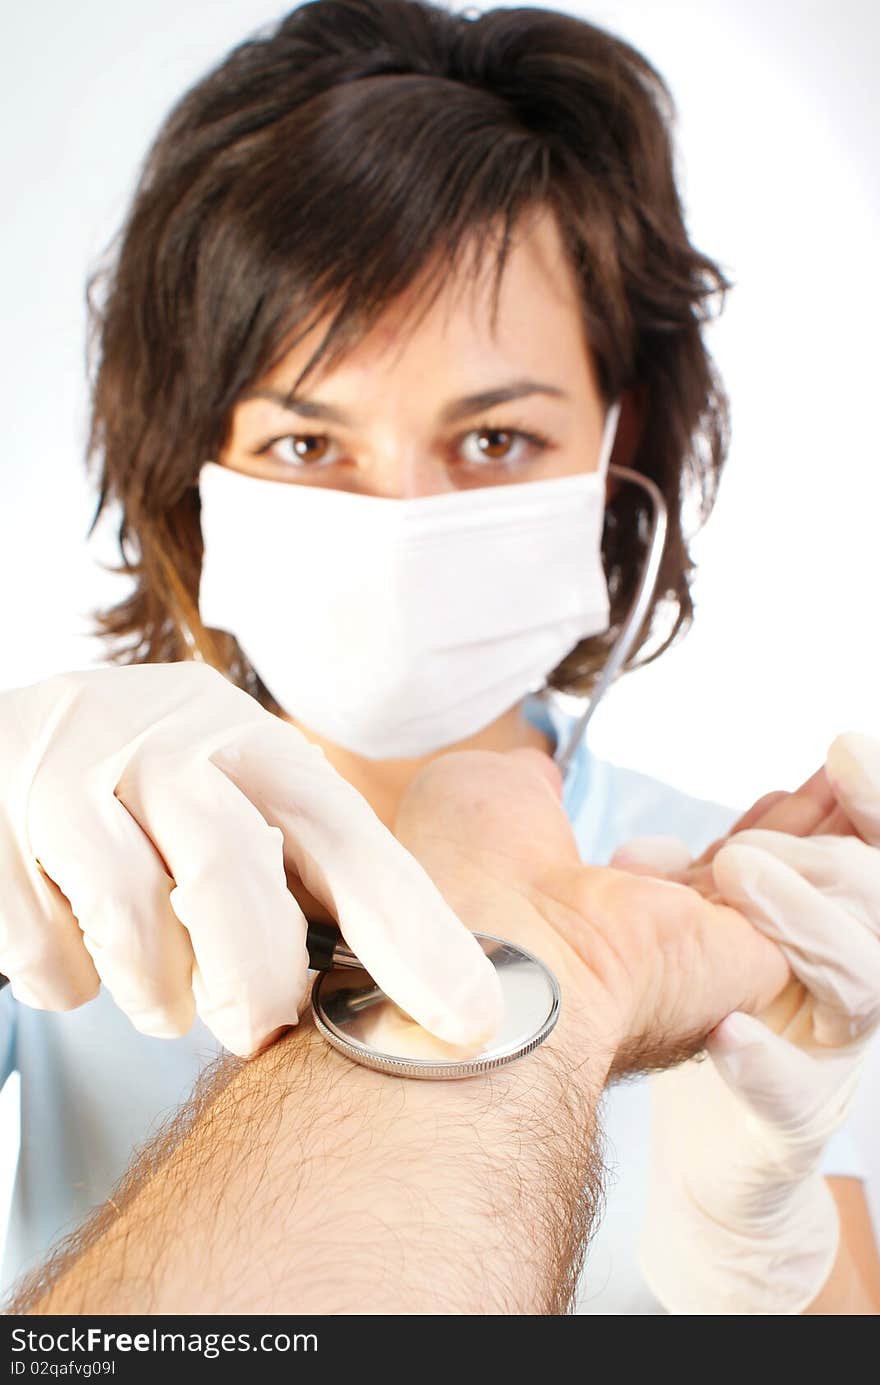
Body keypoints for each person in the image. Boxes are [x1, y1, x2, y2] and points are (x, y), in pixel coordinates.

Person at [0, 0, 877, 1314]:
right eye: (308, 445)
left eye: (495, 441)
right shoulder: (55, 854)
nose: (402, 526)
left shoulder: (744, 906)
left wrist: (756, 1250)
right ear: (198, 469)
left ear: (615, 449)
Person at [2, 744, 874, 1315]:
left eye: (497, 444)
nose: (404, 496)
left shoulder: (753, 884)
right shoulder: (61, 826)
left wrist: (761, 1269)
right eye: (305, 446)